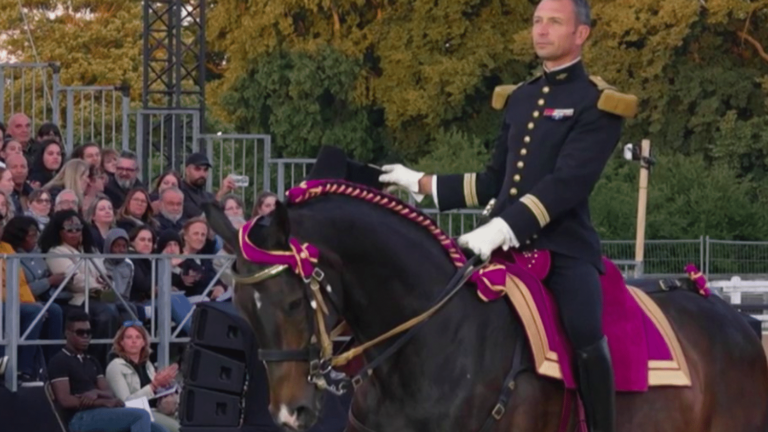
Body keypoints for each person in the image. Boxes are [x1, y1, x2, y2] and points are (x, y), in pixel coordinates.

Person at [378, 1, 637, 431]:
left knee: (585, 328)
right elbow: (494, 180)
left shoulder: (598, 102)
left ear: (581, 35)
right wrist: (419, 182)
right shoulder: (521, 98)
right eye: (537, 21)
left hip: (564, 247)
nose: (541, 30)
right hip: (501, 248)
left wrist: (500, 227)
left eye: (554, 22)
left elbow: (567, 184)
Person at [48, 310, 169, 432]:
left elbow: (109, 393)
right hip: (79, 418)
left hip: (102, 413)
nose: (85, 336)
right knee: (141, 415)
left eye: (88, 333)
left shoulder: (92, 361)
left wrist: (96, 392)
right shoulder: (59, 361)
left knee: (158, 429)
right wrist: (100, 402)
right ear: (67, 334)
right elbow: (65, 400)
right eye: (80, 332)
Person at [105, 322, 181, 432]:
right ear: (121, 342)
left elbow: (154, 392)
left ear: (144, 342)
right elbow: (126, 403)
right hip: (137, 414)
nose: (134, 341)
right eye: (129, 337)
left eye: (138, 337)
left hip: (155, 410)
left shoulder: (147, 364)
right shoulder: (115, 366)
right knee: (178, 429)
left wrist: (165, 386)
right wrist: (154, 385)